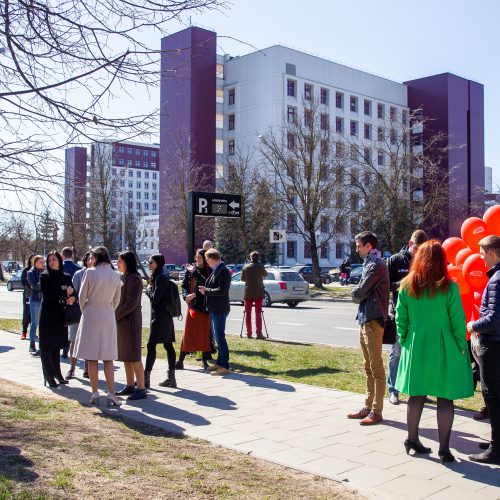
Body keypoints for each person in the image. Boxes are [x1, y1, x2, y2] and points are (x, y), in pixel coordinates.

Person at [396, 240, 474, 463]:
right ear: (442, 260)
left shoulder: (407, 285)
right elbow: (458, 320)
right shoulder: (449, 287)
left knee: (416, 394)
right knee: (445, 397)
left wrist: (405, 340)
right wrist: (461, 344)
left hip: (417, 343)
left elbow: (401, 318)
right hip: (444, 344)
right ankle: (445, 448)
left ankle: (412, 438)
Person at [348, 231, 389, 425]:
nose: (357, 249)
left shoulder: (377, 265)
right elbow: (359, 293)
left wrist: (355, 293)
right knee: (367, 367)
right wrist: (356, 294)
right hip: (365, 318)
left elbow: (360, 291)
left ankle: (376, 410)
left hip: (373, 320)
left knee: (376, 367)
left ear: (368, 246)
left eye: (359, 246)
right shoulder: (369, 264)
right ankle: (368, 405)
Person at [74, 246, 122, 406]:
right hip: (108, 313)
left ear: (97, 257)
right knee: (108, 357)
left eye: (92, 257)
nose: (91, 260)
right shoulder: (116, 275)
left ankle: (94, 391)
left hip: (91, 312)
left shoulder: (89, 272)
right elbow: (117, 300)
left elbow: (82, 297)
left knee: (91, 356)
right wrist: (108, 309)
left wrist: (86, 310)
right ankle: (111, 393)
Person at [467, 235, 500, 465]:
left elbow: (495, 318)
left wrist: (473, 325)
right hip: (495, 344)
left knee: (493, 396)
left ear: (491, 253)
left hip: (493, 345)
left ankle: (496, 449)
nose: (479, 257)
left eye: (481, 252)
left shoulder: (497, 279)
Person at [386, 229, 429, 405]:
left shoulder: (426, 260)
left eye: (423, 250)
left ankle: (418, 391)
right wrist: (406, 282)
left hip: (421, 315)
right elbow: (387, 285)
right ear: (411, 244)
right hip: (400, 314)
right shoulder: (395, 260)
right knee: (396, 353)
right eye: (418, 249)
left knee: (420, 354)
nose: (420, 253)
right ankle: (393, 390)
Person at [38, 251, 76, 387]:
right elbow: (49, 295)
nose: (51, 262)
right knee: (46, 346)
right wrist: (65, 293)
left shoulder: (65, 276)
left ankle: (57, 373)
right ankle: (49, 376)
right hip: (48, 315)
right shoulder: (45, 276)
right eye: (49, 260)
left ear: (60, 260)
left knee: (56, 346)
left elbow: (73, 292)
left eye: (54, 259)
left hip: (61, 314)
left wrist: (72, 297)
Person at [115, 251, 147, 400]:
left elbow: (130, 304)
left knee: (134, 356)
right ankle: (129, 385)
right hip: (122, 322)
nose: (117, 263)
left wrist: (114, 315)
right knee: (125, 356)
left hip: (130, 322)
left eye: (120, 261)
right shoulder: (123, 277)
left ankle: (141, 388)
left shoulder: (134, 279)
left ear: (127, 262)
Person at [145, 254, 177, 388]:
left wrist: (148, 291)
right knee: (167, 345)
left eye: (151, 262)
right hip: (164, 316)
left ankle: (145, 379)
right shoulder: (160, 275)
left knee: (152, 345)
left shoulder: (161, 277)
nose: (148, 264)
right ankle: (171, 378)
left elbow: (156, 298)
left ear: (157, 263)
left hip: (160, 317)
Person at [177, 249, 212, 370]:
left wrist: (196, 294)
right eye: (196, 257)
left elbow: (207, 284)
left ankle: (204, 361)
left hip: (204, 307)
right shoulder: (190, 270)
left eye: (200, 258)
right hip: (192, 306)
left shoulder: (209, 270)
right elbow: (184, 286)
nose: (197, 260)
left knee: (203, 334)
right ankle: (180, 361)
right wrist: (186, 296)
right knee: (188, 334)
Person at [199, 248, 232, 376]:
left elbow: (222, 290)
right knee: (217, 337)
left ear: (212, 259)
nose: (206, 262)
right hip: (214, 308)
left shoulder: (223, 270)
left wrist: (206, 291)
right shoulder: (217, 269)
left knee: (220, 337)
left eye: (207, 260)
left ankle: (225, 366)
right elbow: (213, 286)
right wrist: (206, 288)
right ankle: (219, 362)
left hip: (220, 309)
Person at [65, 252, 90, 380]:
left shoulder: (97, 274)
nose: (91, 260)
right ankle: (72, 368)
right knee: (73, 340)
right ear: (85, 260)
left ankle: (87, 369)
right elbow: (73, 292)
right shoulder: (78, 274)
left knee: (89, 342)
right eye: (89, 258)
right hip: (77, 312)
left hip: (91, 313)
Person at [241, 251, 267, 339]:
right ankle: (259, 333)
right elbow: (265, 274)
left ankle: (249, 333)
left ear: (250, 258)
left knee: (248, 313)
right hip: (259, 292)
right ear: (258, 258)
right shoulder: (261, 266)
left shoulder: (246, 267)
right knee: (258, 313)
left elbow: (242, 279)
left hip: (248, 292)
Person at [60, 247, 81, 359]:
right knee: (70, 324)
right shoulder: (78, 268)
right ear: (71, 255)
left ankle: (62, 349)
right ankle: (66, 350)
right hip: (73, 300)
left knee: (61, 325)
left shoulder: (60, 267)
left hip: (60, 299)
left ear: (63, 255)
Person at [27, 255, 45, 356]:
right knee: (35, 323)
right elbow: (36, 286)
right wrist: (43, 279)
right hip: (35, 299)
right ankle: (32, 344)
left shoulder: (44, 272)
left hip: (44, 300)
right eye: (41, 262)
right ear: (36, 262)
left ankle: (42, 346)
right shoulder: (31, 273)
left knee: (43, 323)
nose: (43, 264)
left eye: (44, 262)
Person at [20, 254, 35, 340]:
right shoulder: (26, 270)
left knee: (35, 314)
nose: (33, 260)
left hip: (37, 296)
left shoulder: (39, 271)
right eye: (32, 259)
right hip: (27, 295)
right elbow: (22, 281)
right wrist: (27, 289)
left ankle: (33, 332)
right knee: (26, 312)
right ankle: (24, 332)